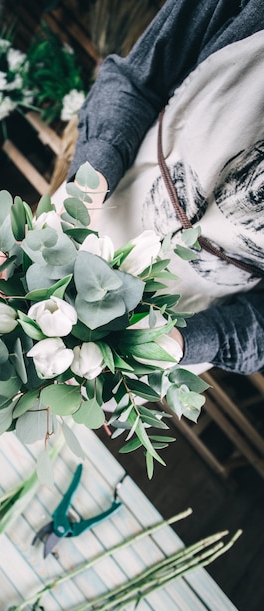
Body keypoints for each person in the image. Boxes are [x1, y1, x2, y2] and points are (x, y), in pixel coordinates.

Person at [64, 0, 264, 375]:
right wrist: (85, 196)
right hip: (89, 221)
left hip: (177, 322)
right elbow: (139, 82)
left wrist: (177, 342)